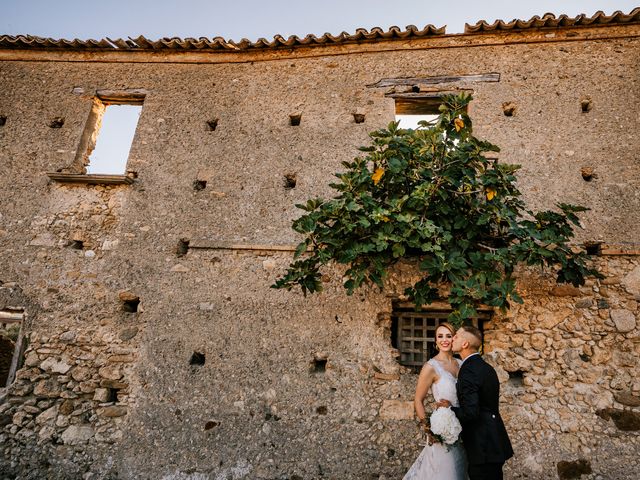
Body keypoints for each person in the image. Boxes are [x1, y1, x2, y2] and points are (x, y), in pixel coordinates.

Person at [437, 325, 513, 480]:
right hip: (494, 440)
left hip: (482, 445)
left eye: (456, 336)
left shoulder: (469, 370)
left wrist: (449, 408)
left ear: (465, 344)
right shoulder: (486, 367)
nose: (452, 338)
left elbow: (471, 412)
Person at [403, 322, 467, 480]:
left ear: (454, 339)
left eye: (448, 336)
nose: (444, 340)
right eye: (440, 336)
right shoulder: (430, 367)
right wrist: (428, 428)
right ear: (435, 341)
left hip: (465, 430)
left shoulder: (461, 364)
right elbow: (418, 399)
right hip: (444, 430)